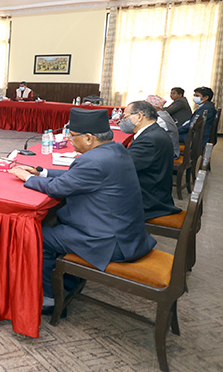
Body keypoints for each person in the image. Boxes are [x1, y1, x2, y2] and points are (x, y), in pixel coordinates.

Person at [10, 108, 156, 314]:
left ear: (89, 138)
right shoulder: (115, 150)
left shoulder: (94, 160)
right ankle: (69, 280)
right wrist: (42, 173)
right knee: (54, 220)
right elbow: (76, 175)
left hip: (108, 241)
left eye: (72, 136)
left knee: (36, 236)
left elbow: (57, 188)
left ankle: (48, 298)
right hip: (126, 232)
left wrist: (28, 178)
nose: (70, 141)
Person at [119, 100, 181, 219]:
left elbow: (123, 166)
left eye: (125, 117)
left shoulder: (149, 140)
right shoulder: (154, 131)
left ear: (139, 116)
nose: (123, 121)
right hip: (155, 190)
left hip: (148, 200)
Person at [144, 94, 179, 159]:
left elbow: (150, 134)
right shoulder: (162, 114)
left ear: (154, 107)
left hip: (168, 152)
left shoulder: (160, 119)